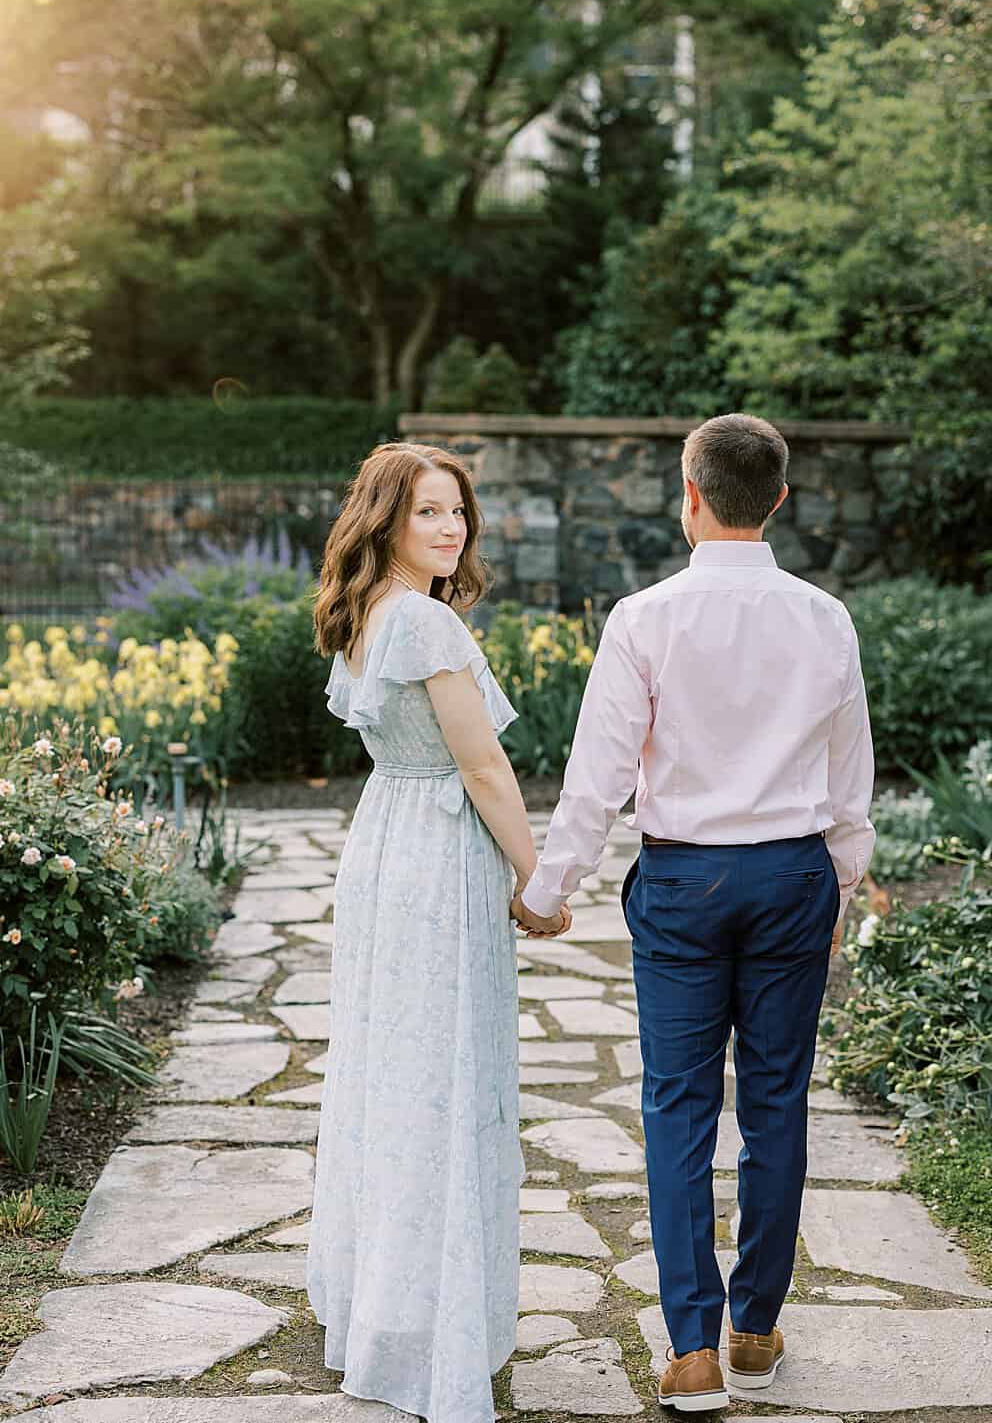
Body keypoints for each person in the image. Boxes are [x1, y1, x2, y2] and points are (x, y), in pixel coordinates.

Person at [512, 412, 875, 1412]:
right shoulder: (824, 618)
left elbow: (598, 778)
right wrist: (839, 882)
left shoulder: (645, 619)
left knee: (677, 1110)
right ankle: (754, 1331)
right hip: (790, 877)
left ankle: (690, 1352)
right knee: (774, 1108)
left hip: (681, 884)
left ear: (689, 497)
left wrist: (550, 888)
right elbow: (852, 779)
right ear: (780, 503)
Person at [309, 443, 571, 1423]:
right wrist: (535, 878)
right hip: (436, 848)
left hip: (388, 840)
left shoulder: (368, 613)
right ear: (385, 519)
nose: (449, 528)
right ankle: (430, 1323)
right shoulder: (422, 620)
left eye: (456, 510)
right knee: (439, 1071)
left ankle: (389, 1304)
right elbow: (484, 770)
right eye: (427, 512)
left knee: (396, 1068)